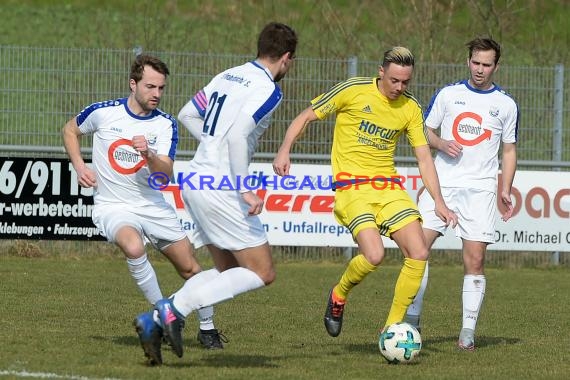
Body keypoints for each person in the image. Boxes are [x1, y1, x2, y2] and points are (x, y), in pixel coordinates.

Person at [133, 22, 298, 364]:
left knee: (227, 271)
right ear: (286, 58)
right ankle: (165, 314)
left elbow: (187, 113)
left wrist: (211, 143)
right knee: (262, 272)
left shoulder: (228, 75)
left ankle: (162, 316)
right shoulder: (269, 89)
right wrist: (244, 188)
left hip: (196, 178)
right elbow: (238, 136)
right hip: (223, 187)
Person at [272, 47, 458, 339]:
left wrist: (439, 202)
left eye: (406, 82)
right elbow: (307, 115)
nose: (399, 87)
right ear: (381, 72)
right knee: (374, 255)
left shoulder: (410, 108)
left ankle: (392, 327)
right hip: (352, 188)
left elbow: (424, 158)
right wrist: (285, 149)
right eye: (394, 80)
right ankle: (339, 294)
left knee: (420, 251)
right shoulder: (354, 90)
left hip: (388, 189)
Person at [62, 54, 223, 366]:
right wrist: (79, 166)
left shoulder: (165, 125)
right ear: (132, 84)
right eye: (150, 86)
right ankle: (164, 313)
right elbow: (70, 130)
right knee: (133, 247)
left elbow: (164, 176)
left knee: (190, 268)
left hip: (153, 205)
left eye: (161, 88)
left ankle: (208, 329)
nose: (157, 93)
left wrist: (149, 154)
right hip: (113, 206)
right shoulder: (103, 113)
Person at [404, 37, 518, 350]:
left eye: (487, 64)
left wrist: (504, 188)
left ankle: (467, 331)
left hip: (480, 190)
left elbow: (508, 151)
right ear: (468, 61)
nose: (480, 69)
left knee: (476, 259)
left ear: (496, 66)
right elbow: (423, 131)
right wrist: (440, 143)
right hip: (441, 184)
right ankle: (412, 321)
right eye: (476, 63)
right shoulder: (449, 95)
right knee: (417, 248)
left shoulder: (506, 105)